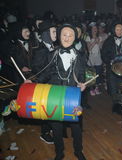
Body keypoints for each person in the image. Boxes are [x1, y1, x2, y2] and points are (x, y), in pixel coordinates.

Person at [25, 23, 86, 160]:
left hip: (72, 96)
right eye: (64, 34)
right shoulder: (51, 54)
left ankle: (78, 151)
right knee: (56, 127)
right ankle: (59, 152)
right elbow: (45, 74)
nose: (67, 37)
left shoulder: (80, 55)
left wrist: (82, 84)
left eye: (70, 35)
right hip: (54, 96)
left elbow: (82, 74)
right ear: (59, 36)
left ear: (75, 37)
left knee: (76, 127)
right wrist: (33, 82)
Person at [31, 20, 57, 145]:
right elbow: (38, 70)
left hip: (53, 84)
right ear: (46, 34)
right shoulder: (40, 50)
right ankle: (44, 133)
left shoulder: (52, 46)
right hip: (45, 85)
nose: (56, 34)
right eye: (53, 31)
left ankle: (52, 128)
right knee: (45, 110)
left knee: (51, 109)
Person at [101, 22, 122, 114]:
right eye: (117, 29)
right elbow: (103, 55)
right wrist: (109, 61)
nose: (119, 31)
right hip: (112, 69)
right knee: (113, 88)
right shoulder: (108, 41)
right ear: (114, 30)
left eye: (121, 29)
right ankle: (116, 105)